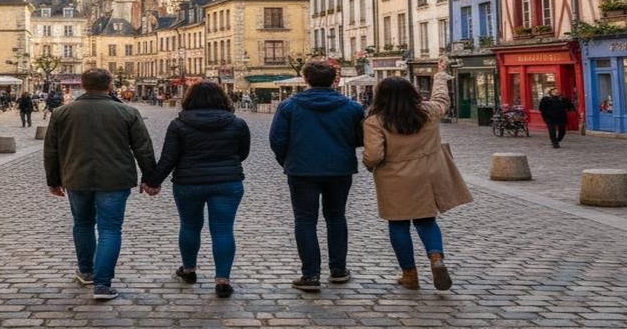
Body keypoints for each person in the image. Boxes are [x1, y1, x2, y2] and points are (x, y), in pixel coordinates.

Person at [44, 68, 156, 301]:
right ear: (110, 85)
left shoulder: (62, 112)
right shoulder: (127, 112)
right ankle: (102, 284)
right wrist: (150, 177)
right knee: (110, 229)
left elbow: (51, 150)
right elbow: (143, 148)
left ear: (83, 85)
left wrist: (53, 180)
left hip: (76, 177)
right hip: (115, 179)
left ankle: (86, 271)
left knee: (82, 224)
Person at [363, 59, 473, 291]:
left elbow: (374, 155)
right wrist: (440, 76)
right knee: (426, 221)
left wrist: (369, 165)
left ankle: (410, 274)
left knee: (398, 225)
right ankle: (436, 257)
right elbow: (442, 99)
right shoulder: (428, 112)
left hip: (395, 178)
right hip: (428, 175)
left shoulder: (376, 121)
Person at [142, 81, 250, 298]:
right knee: (223, 230)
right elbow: (243, 153)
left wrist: (153, 181)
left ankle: (189, 270)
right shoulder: (237, 123)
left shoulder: (178, 124)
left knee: (190, 226)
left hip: (188, 183)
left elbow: (169, 158)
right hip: (227, 182)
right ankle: (222, 280)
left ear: (189, 99)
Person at [269, 61, 365, 293]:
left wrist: (288, 161)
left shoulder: (289, 106)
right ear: (334, 80)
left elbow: (277, 139)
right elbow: (361, 138)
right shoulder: (352, 107)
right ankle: (338, 270)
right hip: (339, 169)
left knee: (305, 220)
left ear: (306, 79)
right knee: (336, 217)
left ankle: (311, 274)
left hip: (302, 170)